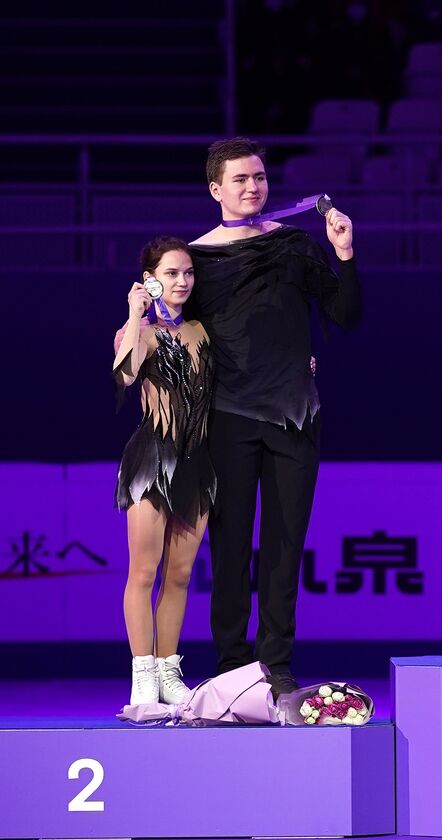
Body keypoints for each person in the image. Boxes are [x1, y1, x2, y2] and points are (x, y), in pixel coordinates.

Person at [185, 137, 361, 697]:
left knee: (285, 547)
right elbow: (175, 335)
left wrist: (344, 254)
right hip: (227, 417)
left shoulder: (294, 245)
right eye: (239, 180)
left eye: (258, 178)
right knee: (230, 547)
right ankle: (232, 665)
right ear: (216, 189)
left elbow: (346, 315)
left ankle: (276, 665)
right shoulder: (197, 259)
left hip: (293, 415)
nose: (252, 188)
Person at [114, 236, 215, 707]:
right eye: (171, 273)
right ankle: (142, 676)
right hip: (152, 460)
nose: (182, 281)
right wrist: (135, 315)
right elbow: (126, 375)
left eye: (188, 273)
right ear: (150, 280)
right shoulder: (138, 332)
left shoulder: (201, 329)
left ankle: (169, 669)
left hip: (197, 462)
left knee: (179, 574)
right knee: (143, 571)